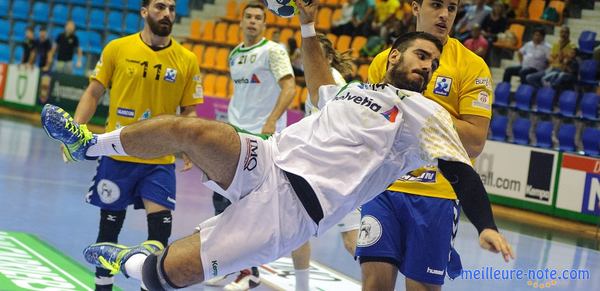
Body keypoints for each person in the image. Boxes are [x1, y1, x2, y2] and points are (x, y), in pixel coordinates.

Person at [41, 2, 513, 291]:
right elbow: (319, 80)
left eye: (432, 63)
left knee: (173, 273)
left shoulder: (420, 114)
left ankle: (131, 262)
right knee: (195, 131)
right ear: (394, 56)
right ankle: (89, 145)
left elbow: (461, 169)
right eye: (420, 56)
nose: (426, 67)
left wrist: (484, 224)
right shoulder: (354, 89)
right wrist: (307, 25)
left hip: (293, 211)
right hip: (265, 159)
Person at [362, 1, 509, 290]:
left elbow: (475, 142)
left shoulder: (472, 66)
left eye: (452, 8)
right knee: (374, 285)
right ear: (416, 7)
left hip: (437, 196)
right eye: (436, 5)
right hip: (383, 190)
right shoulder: (385, 61)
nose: (444, 14)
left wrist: (421, 110)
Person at [61, 0, 203, 290]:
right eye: (160, 7)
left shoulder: (187, 59)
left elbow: (189, 110)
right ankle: (103, 286)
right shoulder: (117, 48)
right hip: (117, 155)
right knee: (109, 227)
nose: (167, 14)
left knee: (159, 233)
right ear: (144, 11)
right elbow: (94, 91)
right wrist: (74, 131)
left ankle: (149, 286)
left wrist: (191, 146)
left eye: (172, 9)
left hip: (160, 159)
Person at [209, 2, 296, 289]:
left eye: (259, 18)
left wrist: (271, 121)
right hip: (235, 132)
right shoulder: (234, 54)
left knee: (248, 205)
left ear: (264, 24)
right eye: (249, 17)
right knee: (221, 198)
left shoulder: (273, 51)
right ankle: (227, 262)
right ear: (241, 21)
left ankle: (251, 272)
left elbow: (289, 87)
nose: (253, 21)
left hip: (260, 137)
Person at [292, 33, 357, 291]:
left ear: (327, 58)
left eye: (312, 53)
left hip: (340, 173)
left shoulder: (333, 84)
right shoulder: (315, 82)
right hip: (318, 172)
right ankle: (302, 288)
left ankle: (386, 275)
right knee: (298, 230)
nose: (306, 57)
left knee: (352, 242)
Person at [526, 25, 578, 90]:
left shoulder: (572, 46)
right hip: (551, 68)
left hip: (560, 70)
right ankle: (543, 91)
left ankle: (546, 92)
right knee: (529, 78)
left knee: (544, 79)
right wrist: (553, 59)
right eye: (562, 32)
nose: (563, 34)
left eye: (565, 32)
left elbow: (567, 59)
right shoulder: (556, 44)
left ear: (569, 34)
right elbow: (551, 58)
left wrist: (561, 56)